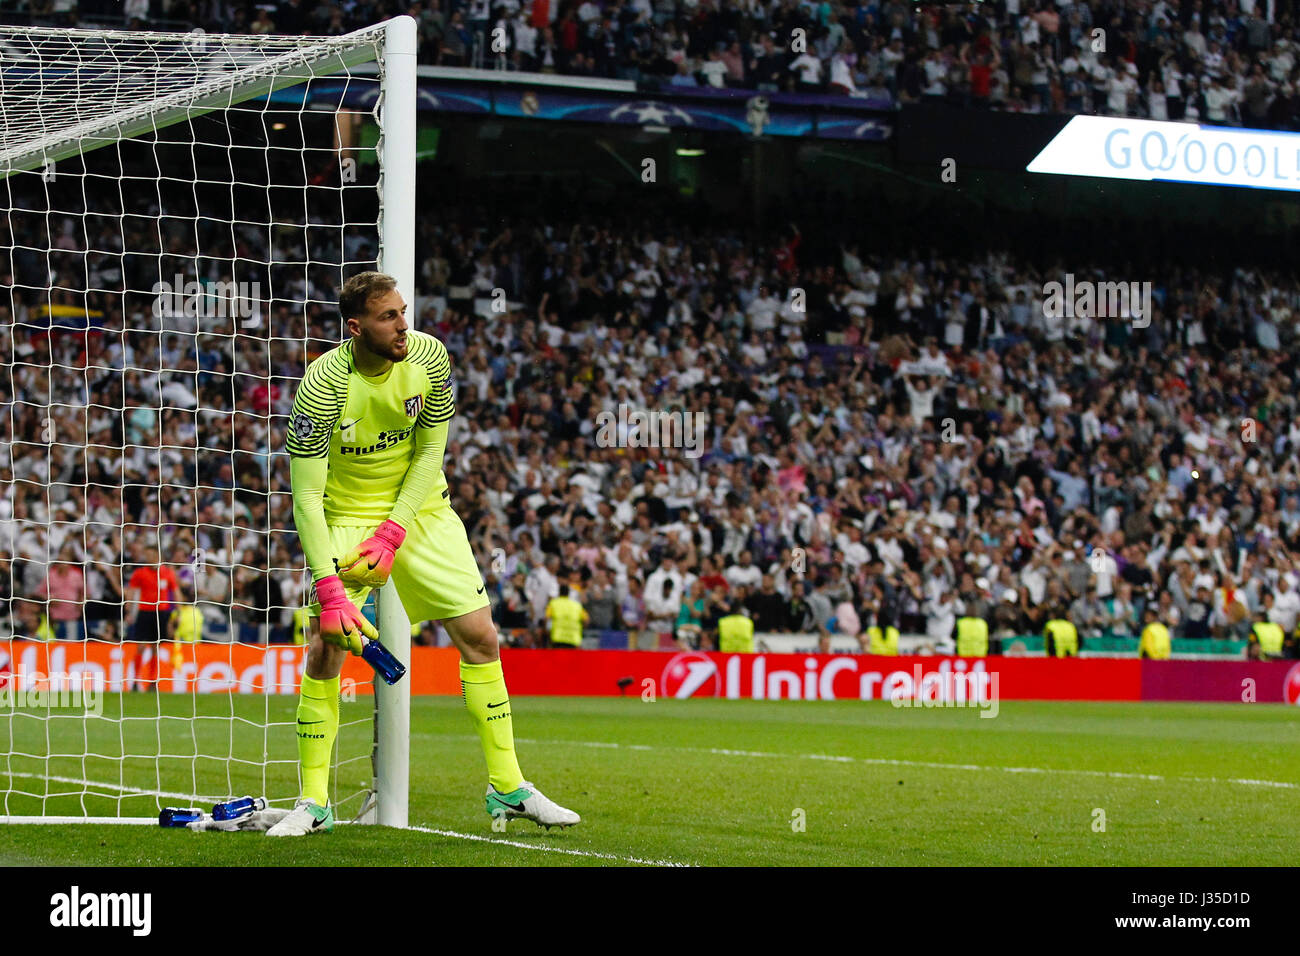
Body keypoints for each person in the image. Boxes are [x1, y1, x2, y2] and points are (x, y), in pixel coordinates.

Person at [274, 271, 577, 836]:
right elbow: (307, 497)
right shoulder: (322, 386)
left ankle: (507, 787)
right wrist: (328, 585)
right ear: (355, 326)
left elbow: (430, 453)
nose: (403, 326)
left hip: (422, 512)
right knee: (325, 645)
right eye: (389, 317)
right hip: (345, 515)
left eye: (404, 312)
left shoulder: (430, 359)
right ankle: (314, 803)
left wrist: (393, 533)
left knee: (482, 637)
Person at [124, 545, 180, 692]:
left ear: (157, 556)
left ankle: (152, 681)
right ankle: (135, 681)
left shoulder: (167, 573)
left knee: (156, 648)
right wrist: (128, 610)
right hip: (145, 612)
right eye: (147, 555)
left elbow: (175, 591)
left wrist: (178, 611)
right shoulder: (140, 573)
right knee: (141, 647)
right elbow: (131, 591)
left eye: (151, 555)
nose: (148, 558)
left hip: (161, 613)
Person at [544, 584, 588, 648]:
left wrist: (547, 632)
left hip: (557, 637)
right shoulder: (577, 605)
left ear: (559, 592)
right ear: (568, 593)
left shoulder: (553, 603)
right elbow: (586, 620)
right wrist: (581, 629)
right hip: (573, 638)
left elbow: (546, 619)